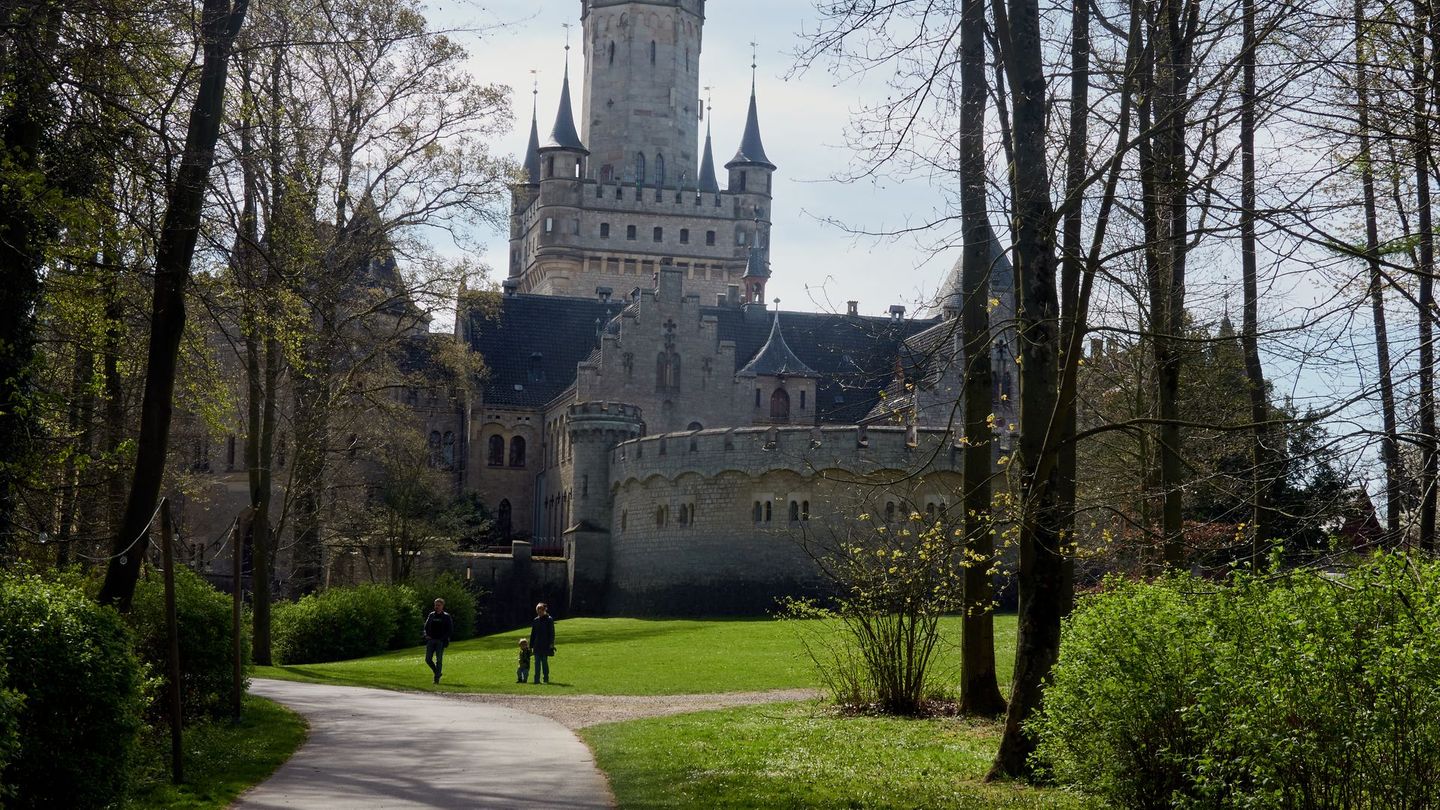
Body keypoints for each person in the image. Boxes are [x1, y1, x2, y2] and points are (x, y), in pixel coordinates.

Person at [423, 598, 453, 684]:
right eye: (436, 605)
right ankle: (438, 672)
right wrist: (426, 635)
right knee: (428, 659)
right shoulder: (431, 615)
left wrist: (443, 639)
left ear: (442, 606)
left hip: (441, 641)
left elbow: (450, 630)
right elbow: (425, 627)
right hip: (431, 640)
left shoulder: (446, 616)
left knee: (439, 660)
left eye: (439, 605)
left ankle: (436, 680)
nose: (437, 607)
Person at [528, 602, 555, 684]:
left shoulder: (549, 619)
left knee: (544, 662)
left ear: (544, 610)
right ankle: (536, 680)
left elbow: (552, 632)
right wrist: (531, 646)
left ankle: (545, 679)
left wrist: (551, 643)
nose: (539, 612)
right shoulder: (535, 620)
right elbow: (533, 634)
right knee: (537, 663)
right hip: (537, 645)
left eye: (540, 611)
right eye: (538, 611)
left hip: (545, 645)